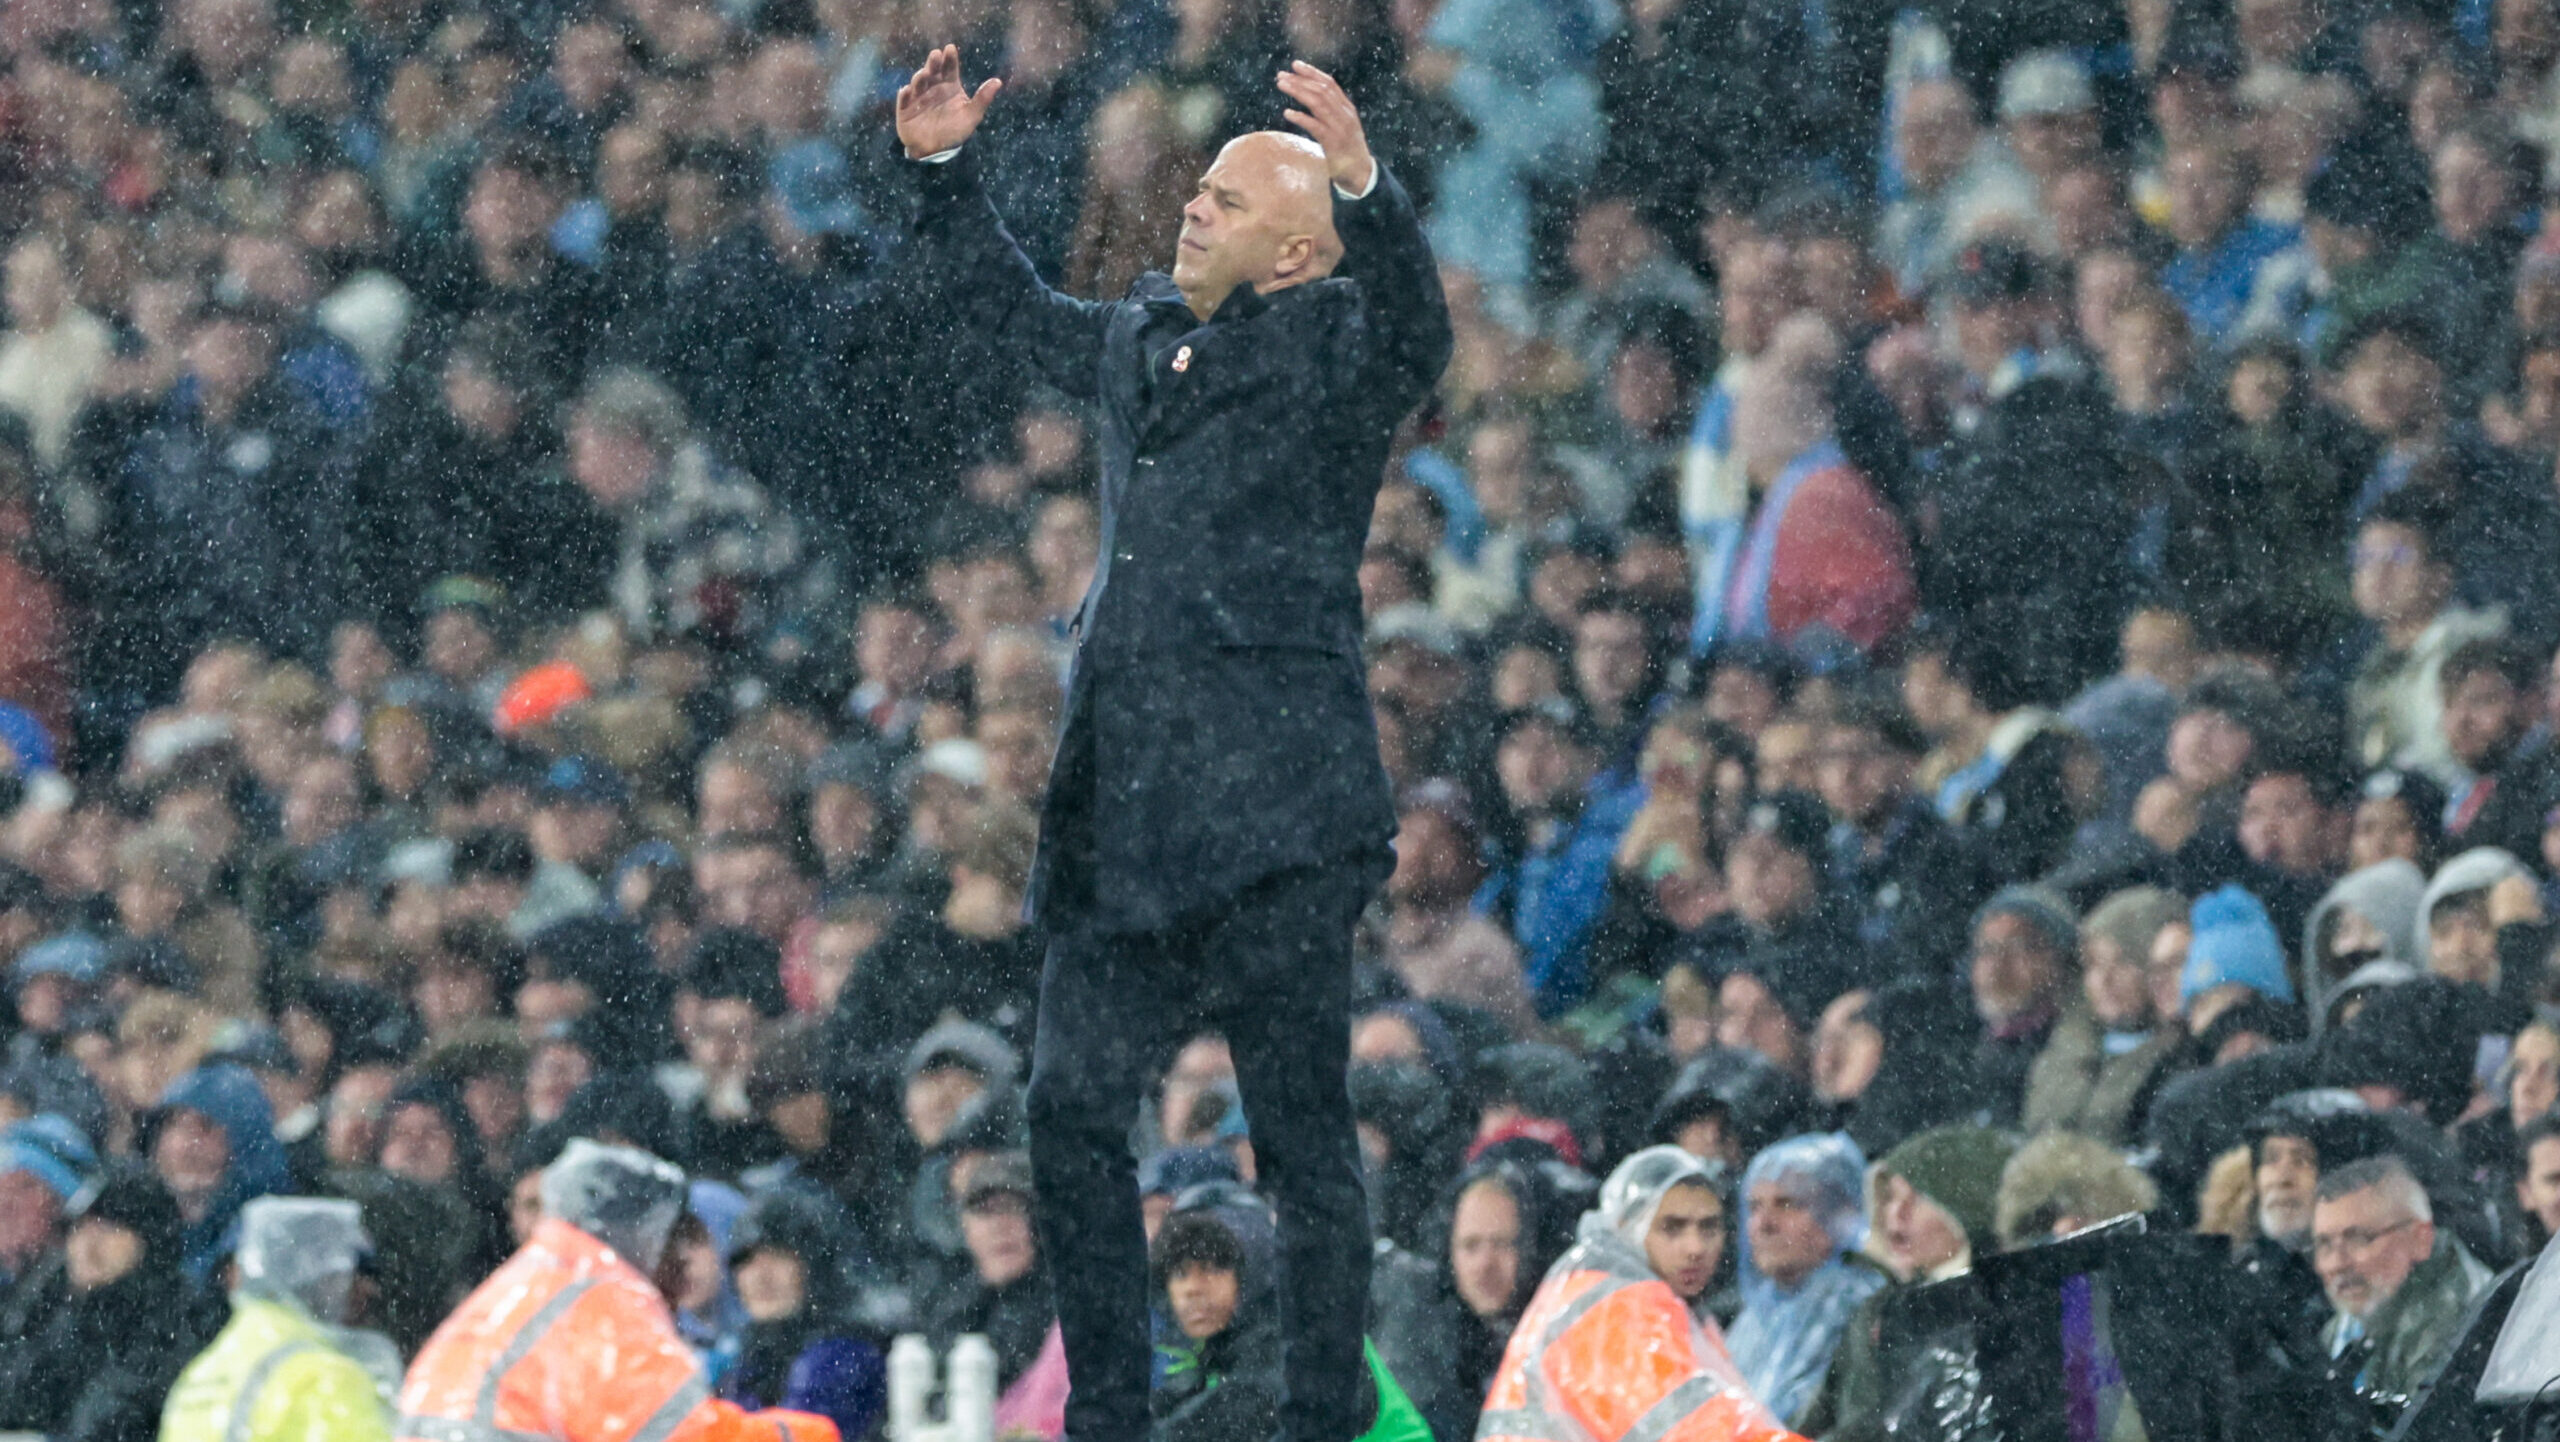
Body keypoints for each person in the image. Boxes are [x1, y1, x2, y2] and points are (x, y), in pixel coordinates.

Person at [892, 45, 1451, 1442]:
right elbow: (1005, 311)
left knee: (1301, 1134)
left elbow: (1419, 335)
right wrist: (947, 172)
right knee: (1068, 1105)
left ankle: (1323, 1416)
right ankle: (1113, 1414)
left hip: (1273, 813)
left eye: (1230, 198)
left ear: (1299, 248)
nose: (1194, 208)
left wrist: (1369, 186)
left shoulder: (1337, 348)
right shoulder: (1142, 335)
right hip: (1127, 811)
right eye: (1196, 188)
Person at [394, 1139, 840, 1442]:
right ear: (644, 1234)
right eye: (676, 1239)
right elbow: (684, 1437)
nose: (682, 1263)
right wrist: (806, 1434)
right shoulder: (604, 1304)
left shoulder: (530, 1284)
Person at [1478, 1145, 1803, 1442]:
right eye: (1671, 1227)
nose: (1696, 1247)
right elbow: (1697, 1433)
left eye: (1708, 1227)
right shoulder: (1615, 1307)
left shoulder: (1605, 1289)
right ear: (1628, 1225)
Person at [158, 1197, 396, 1442]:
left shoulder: (204, 1372)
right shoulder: (324, 1376)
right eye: (355, 1271)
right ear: (319, 1274)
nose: (370, 1289)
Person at [2312, 1155, 2492, 1436]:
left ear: (2421, 1238)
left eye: (2359, 1238)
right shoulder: (2356, 1316)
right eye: (2324, 1244)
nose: (2336, 1263)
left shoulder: (2458, 1324)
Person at [1725, 1135, 1886, 1428]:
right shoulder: (1753, 1317)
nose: (1764, 1224)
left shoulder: (1855, 1303)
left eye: (1786, 1204)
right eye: (1754, 1206)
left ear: (1839, 1215)